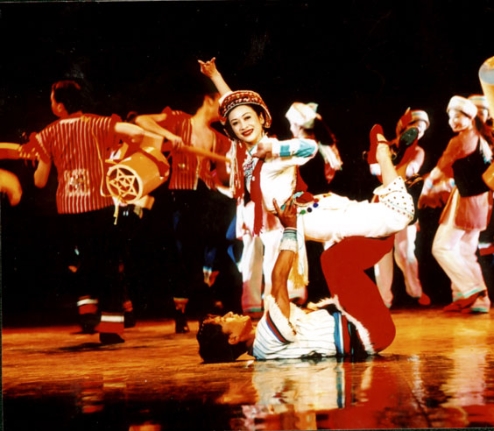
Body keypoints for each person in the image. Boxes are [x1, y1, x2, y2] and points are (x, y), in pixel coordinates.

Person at [199, 58, 415, 299]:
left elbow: (309, 148)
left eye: (248, 118)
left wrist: (275, 149)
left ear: (261, 118)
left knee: (398, 214)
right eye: (236, 123)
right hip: (308, 215)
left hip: (315, 215)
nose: (242, 125)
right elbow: (235, 106)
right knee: (338, 257)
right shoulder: (248, 151)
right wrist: (215, 76)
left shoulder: (270, 148)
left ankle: (383, 153)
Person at [196, 168, 399, 361]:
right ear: (233, 339)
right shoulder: (266, 338)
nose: (228, 314)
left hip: (364, 326)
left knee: (334, 256)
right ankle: (393, 214)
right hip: (369, 329)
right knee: (334, 261)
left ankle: (386, 213)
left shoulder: (264, 345)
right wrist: (290, 229)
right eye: (224, 321)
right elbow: (278, 280)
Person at [31, 79, 156, 344]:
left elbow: (40, 181)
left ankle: (87, 314)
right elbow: (136, 133)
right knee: (108, 264)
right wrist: (116, 152)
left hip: (68, 209)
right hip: (99, 205)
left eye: (52, 99)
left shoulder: (47, 134)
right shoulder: (97, 124)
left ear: (60, 106)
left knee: (82, 263)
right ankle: (110, 329)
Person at [133, 82, 241, 334]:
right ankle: (183, 311)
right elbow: (141, 121)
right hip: (179, 195)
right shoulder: (180, 121)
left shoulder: (218, 138)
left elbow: (223, 176)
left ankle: (210, 305)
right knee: (185, 254)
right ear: (208, 99)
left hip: (203, 195)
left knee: (211, 246)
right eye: (221, 104)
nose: (224, 112)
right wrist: (171, 137)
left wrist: (236, 164)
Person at [419, 96, 493, 313]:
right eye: (450, 117)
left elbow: (441, 167)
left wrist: (425, 191)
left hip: (466, 202)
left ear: (470, 118)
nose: (453, 121)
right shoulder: (481, 139)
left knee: (441, 247)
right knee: (465, 250)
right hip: (479, 202)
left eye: (458, 117)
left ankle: (471, 290)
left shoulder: (460, 140)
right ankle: (479, 300)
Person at [371, 108, 431, 307]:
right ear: (404, 127)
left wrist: (392, 162)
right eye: (415, 128)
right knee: (382, 253)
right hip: (383, 202)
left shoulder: (418, 152)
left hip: (405, 204)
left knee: (405, 252)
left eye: (422, 130)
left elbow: (410, 171)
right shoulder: (385, 147)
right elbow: (375, 170)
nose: (418, 132)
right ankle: (383, 299)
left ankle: (415, 291)